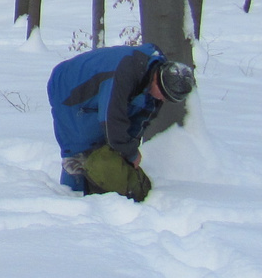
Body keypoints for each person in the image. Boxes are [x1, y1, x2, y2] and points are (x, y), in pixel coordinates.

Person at [46, 43, 195, 201]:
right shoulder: (126, 71)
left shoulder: (156, 78)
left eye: (168, 99)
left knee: (109, 147)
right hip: (69, 86)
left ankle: (99, 184)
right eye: (163, 95)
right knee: (82, 147)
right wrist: (130, 154)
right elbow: (111, 121)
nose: (162, 100)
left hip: (103, 87)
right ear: (158, 79)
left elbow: (140, 120)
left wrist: (129, 151)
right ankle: (72, 197)